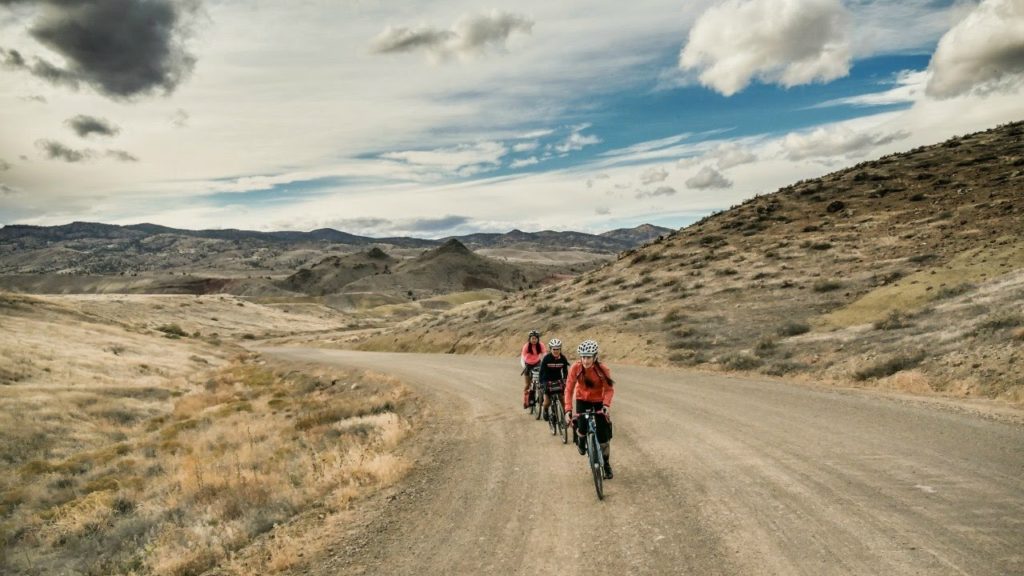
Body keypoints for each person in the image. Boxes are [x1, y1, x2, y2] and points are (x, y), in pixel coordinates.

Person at [564, 339, 615, 479]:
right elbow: (568, 389)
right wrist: (568, 409)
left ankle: (606, 463)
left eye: (589, 357)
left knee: (604, 437)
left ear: (595, 356)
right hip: (582, 400)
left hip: (599, 401)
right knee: (581, 426)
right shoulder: (576, 368)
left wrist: (606, 405)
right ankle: (580, 440)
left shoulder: (603, 370)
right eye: (583, 357)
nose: (586, 361)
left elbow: (609, 390)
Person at [536, 338, 569, 421]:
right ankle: (545, 410)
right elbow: (541, 372)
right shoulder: (546, 358)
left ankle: (565, 416)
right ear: (550, 349)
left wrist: (565, 380)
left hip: (558, 379)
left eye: (558, 349)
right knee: (547, 402)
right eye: (554, 349)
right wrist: (541, 383)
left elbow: (565, 371)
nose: (556, 351)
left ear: (560, 349)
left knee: (562, 399)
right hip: (547, 380)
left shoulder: (563, 358)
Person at [520, 329, 546, 409]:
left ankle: (540, 395)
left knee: (541, 381)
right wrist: (524, 366)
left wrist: (545, 364)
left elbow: (545, 354)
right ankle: (526, 400)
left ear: (538, 339)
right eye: (532, 338)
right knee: (528, 384)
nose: (534, 340)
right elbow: (522, 358)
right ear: (529, 339)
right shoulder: (526, 346)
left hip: (537, 363)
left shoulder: (541, 345)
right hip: (527, 364)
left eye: (535, 338)